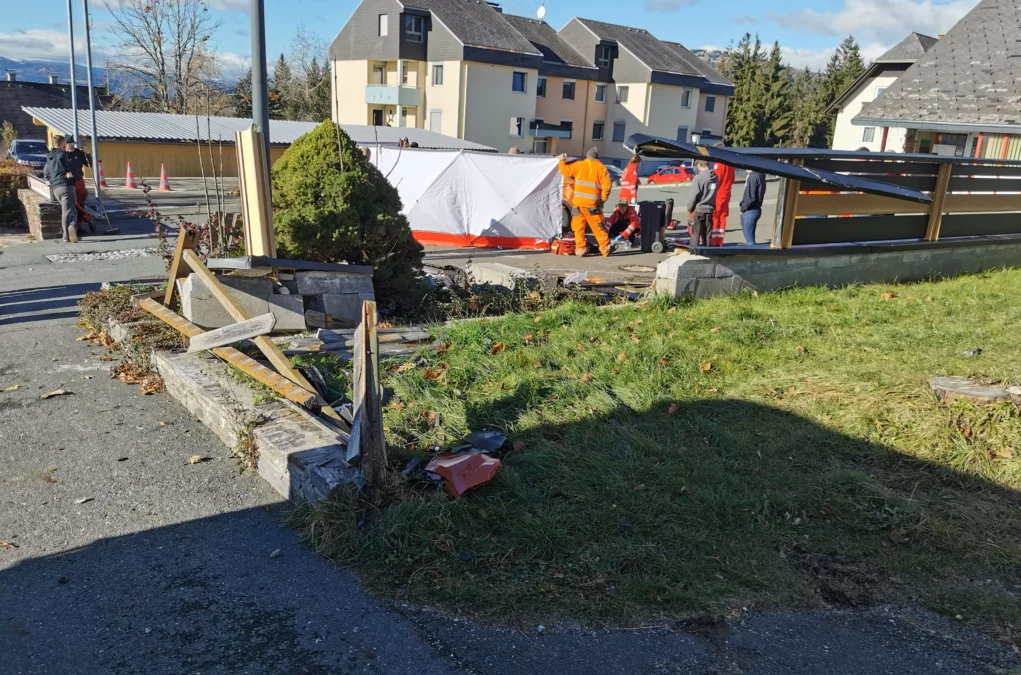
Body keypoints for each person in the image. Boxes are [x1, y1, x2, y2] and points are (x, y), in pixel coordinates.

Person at [557, 148, 612, 257]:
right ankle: (605, 249)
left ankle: (580, 249)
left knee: (578, 228)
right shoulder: (602, 169)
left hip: (577, 204)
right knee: (598, 227)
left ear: (587, 156)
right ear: (597, 158)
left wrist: (561, 161)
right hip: (592, 205)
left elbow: (565, 171)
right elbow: (607, 186)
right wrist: (603, 199)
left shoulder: (579, 165)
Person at [43, 135, 77, 243]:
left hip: (56, 188)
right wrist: (70, 174)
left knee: (69, 210)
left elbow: (46, 173)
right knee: (69, 212)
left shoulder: (49, 156)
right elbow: (67, 168)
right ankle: (68, 233)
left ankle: (70, 231)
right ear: (62, 144)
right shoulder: (62, 154)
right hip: (66, 186)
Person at [686, 160, 718, 247]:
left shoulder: (698, 178)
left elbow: (694, 195)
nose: (698, 169)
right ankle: (707, 252)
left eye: (698, 167)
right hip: (710, 209)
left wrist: (690, 208)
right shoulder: (715, 177)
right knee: (707, 234)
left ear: (700, 165)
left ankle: (695, 251)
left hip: (700, 209)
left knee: (696, 234)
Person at [66, 139, 93, 233]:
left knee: (80, 203)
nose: (71, 146)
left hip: (79, 180)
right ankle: (74, 225)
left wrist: (88, 153)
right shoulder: (63, 154)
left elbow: (90, 164)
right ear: (65, 144)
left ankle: (79, 225)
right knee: (74, 204)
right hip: (69, 182)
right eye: (69, 144)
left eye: (73, 144)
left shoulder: (78, 153)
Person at [710, 143, 734, 246]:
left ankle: (713, 241)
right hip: (726, 194)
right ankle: (719, 241)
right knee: (722, 218)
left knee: (715, 218)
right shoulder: (731, 164)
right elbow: (732, 179)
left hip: (718, 195)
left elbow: (716, 180)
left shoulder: (718, 164)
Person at [739, 170, 766, 245]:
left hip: (750, 209)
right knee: (749, 237)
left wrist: (743, 208)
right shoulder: (759, 175)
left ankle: (752, 253)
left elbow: (751, 197)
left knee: (750, 240)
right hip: (755, 208)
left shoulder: (753, 176)